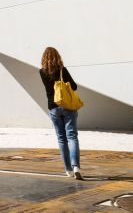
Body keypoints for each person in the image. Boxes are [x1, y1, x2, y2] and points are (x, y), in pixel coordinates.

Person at [39, 46, 82, 180]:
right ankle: (76, 167)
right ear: (57, 57)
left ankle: (68, 170)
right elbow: (74, 87)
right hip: (67, 106)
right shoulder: (62, 70)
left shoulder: (42, 72)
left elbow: (49, 89)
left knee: (62, 139)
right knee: (72, 137)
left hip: (53, 108)